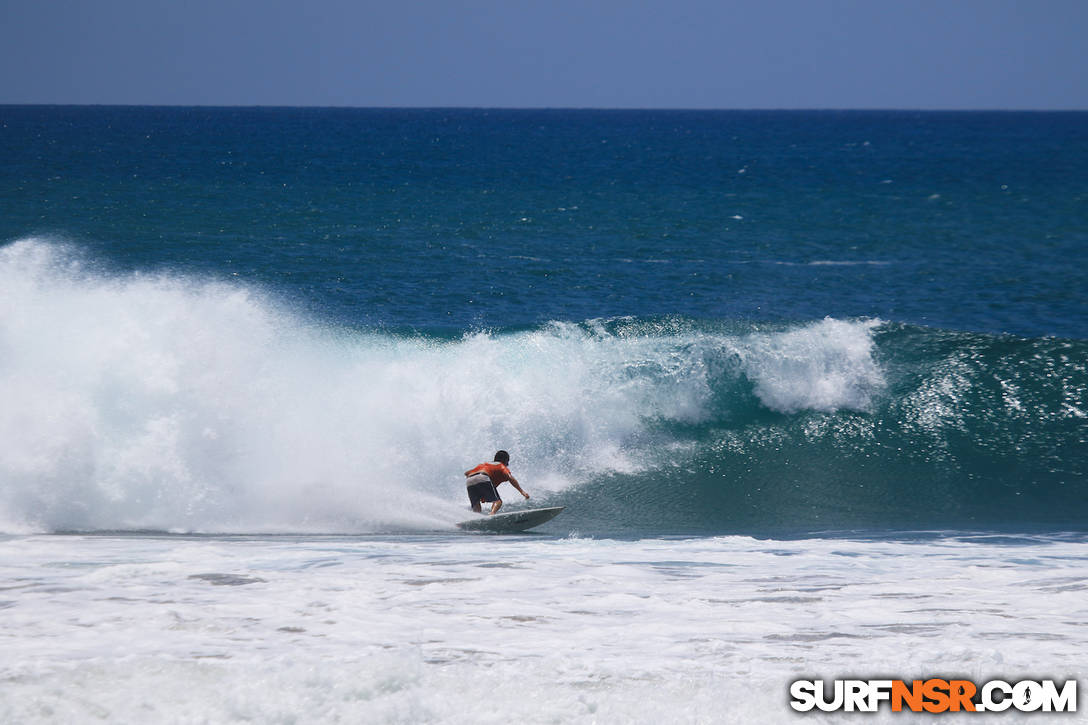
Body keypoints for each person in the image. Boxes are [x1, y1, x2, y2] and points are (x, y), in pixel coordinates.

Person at [464, 450, 530, 514]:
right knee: (498, 501)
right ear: (505, 460)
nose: (508, 464)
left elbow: (466, 473)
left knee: (476, 506)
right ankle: (492, 514)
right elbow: (510, 478)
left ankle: (476, 518)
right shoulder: (501, 465)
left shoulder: (484, 465)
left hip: (469, 480)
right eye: (508, 461)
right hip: (483, 476)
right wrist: (522, 492)